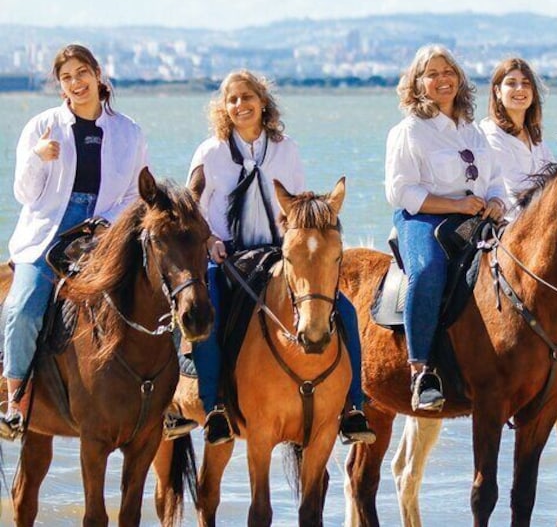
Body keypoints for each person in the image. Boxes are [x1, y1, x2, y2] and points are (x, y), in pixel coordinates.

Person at [174, 69, 375, 445]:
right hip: (227, 255)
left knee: (343, 309)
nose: (240, 105)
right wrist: (209, 240)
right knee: (206, 313)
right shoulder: (210, 152)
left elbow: (298, 204)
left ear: (262, 101)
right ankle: (214, 406)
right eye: (232, 99)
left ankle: (353, 406)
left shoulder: (286, 149)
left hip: (274, 253)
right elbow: (192, 208)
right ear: (223, 108)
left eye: (247, 97)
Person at [0, 44, 149, 439]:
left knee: (157, 293)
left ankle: (163, 399)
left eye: (82, 73)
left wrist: (105, 225)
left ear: (98, 74)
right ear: (60, 86)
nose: (76, 82)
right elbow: (25, 195)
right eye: (66, 77)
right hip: (48, 231)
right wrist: (38, 157)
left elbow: (136, 193)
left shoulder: (128, 131)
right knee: (23, 308)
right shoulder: (42, 126)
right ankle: (15, 398)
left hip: (104, 231)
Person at [385, 45, 507, 412]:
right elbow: (400, 191)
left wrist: (498, 201)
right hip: (424, 218)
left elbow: (496, 180)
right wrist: (453, 205)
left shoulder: (473, 131)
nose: (442, 80)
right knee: (427, 271)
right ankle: (421, 370)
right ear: (418, 83)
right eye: (432, 74)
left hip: (479, 218)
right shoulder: (409, 131)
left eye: (448, 72)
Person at [479, 57, 553, 218]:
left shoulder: (535, 137)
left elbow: (554, 178)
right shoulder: (491, 134)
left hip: (542, 219)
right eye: (511, 83)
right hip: (509, 225)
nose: (520, 88)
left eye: (526, 83)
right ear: (497, 91)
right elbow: (515, 191)